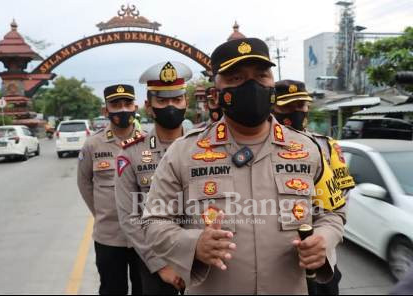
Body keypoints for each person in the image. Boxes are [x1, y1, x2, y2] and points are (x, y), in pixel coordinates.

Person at [141, 37, 347, 294]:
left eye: (261, 76)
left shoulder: (308, 149)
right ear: (216, 93)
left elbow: (333, 212)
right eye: (236, 78)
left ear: (272, 83)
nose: (252, 85)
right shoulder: (183, 153)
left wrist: (323, 240)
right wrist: (193, 244)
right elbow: (153, 222)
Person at [114, 61, 192, 295]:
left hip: (200, 256)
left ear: (186, 102)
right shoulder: (131, 152)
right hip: (157, 262)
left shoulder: (204, 146)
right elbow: (129, 217)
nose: (171, 106)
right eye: (162, 101)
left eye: (177, 100)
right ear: (149, 106)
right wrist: (160, 265)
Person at [273, 79, 356, 295]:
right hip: (275, 266)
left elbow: (340, 202)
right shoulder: (258, 149)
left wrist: (323, 237)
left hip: (322, 261)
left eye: (300, 105)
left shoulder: (326, 146)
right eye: (286, 106)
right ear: (271, 107)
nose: (295, 112)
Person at [77, 84, 142, 295]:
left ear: (136, 106)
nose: (123, 109)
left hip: (144, 235)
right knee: (112, 289)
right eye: (116, 104)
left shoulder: (149, 142)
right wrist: (102, 213)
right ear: (105, 110)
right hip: (109, 237)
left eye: (127, 103)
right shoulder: (93, 145)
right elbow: (84, 183)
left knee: (146, 289)